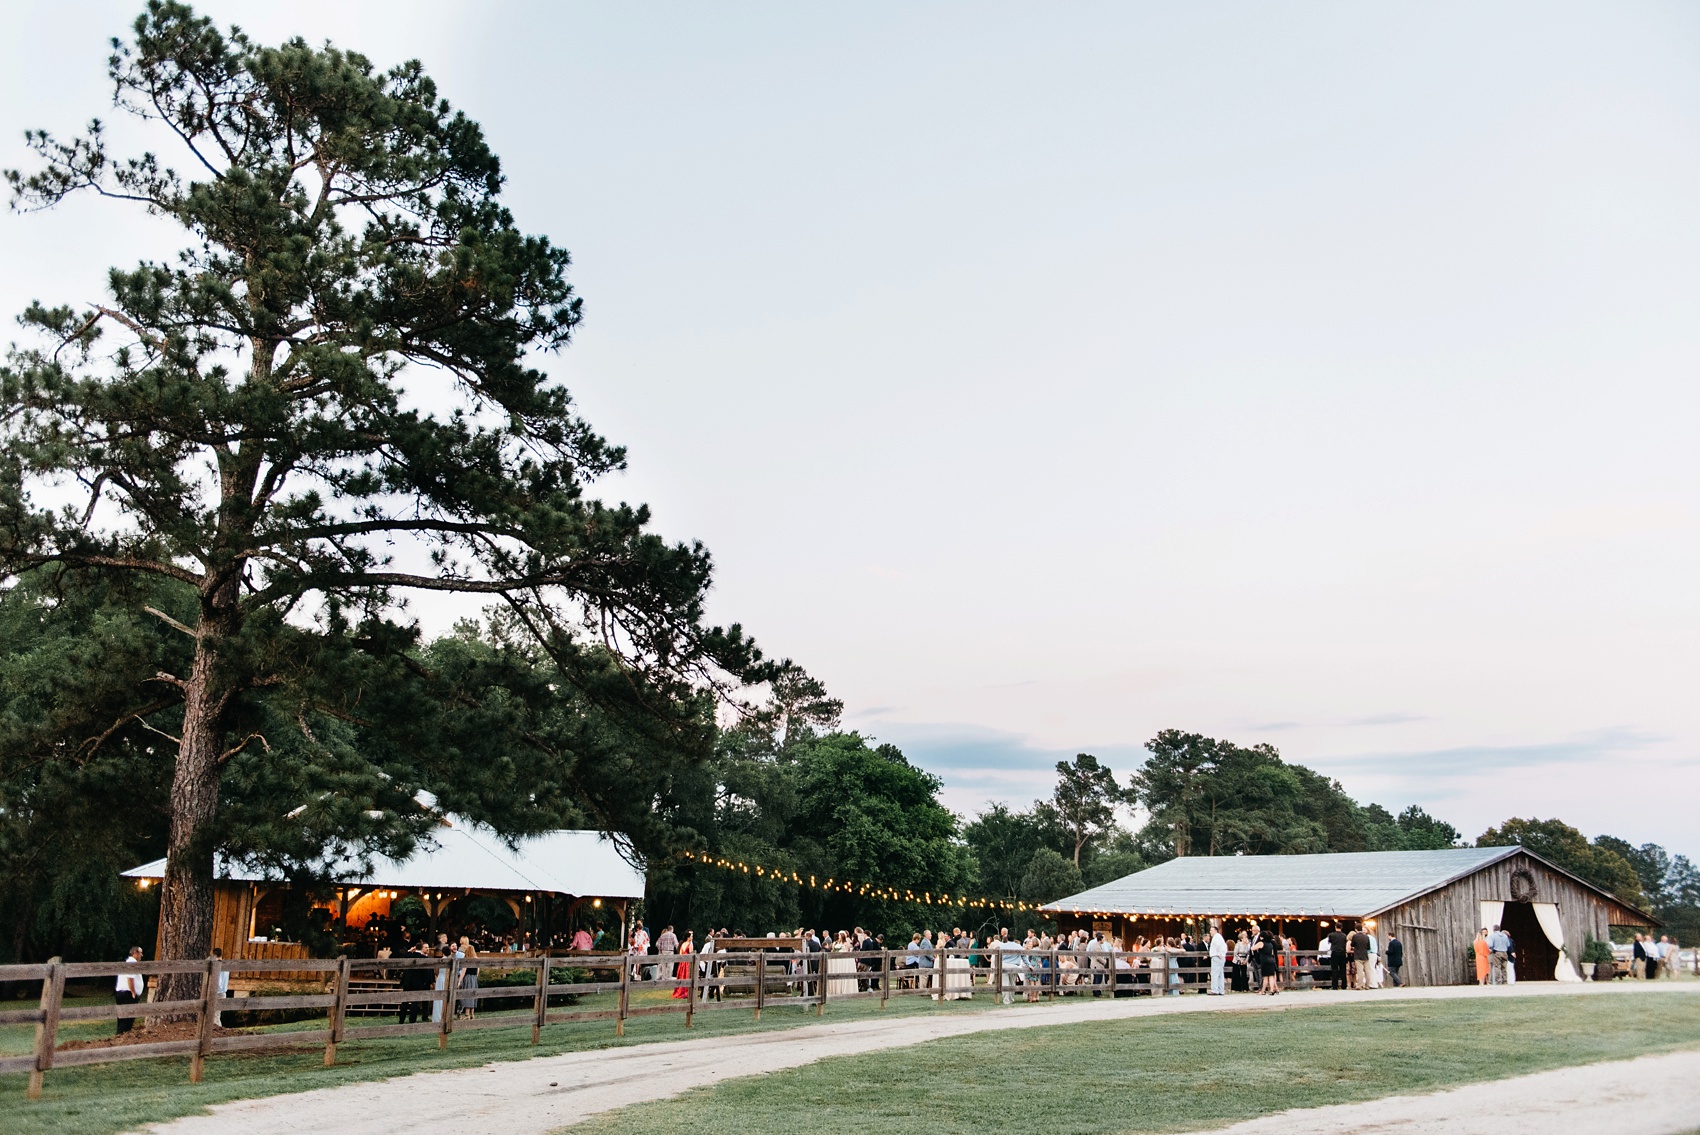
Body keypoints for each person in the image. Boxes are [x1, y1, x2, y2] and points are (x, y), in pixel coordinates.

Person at [115, 946, 145, 1034]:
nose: (141, 955)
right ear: (135, 953)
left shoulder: (128, 962)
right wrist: (133, 992)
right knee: (128, 1019)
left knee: (122, 1018)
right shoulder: (132, 963)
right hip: (127, 994)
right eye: (140, 953)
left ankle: (120, 1036)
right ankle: (122, 1036)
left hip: (122, 993)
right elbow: (130, 979)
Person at [670, 931, 694, 999]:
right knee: (686, 975)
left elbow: (681, 954)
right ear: (688, 937)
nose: (692, 937)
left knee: (681, 975)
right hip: (687, 962)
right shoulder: (689, 945)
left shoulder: (682, 944)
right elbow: (691, 954)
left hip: (682, 962)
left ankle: (679, 990)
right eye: (691, 936)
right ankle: (686, 991)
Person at [210, 946, 230, 1027]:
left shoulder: (217, 965)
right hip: (223, 992)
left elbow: (219, 981)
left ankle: (217, 1030)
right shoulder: (226, 965)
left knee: (215, 1015)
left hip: (217, 992)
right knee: (217, 1014)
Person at [1207, 920, 1227, 996]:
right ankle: (1221, 990)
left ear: (1215, 930)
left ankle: (1215, 990)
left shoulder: (1217, 937)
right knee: (1220, 974)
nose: (1210, 932)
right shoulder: (1218, 937)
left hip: (1217, 957)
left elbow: (1221, 946)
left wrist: (1220, 953)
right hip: (1219, 957)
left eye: (1211, 930)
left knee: (1215, 974)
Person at [1327, 925, 1349, 991]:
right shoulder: (1344, 935)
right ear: (1341, 927)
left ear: (1335, 927)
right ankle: (1344, 985)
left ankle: (1335, 986)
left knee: (1334, 970)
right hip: (1342, 953)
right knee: (1343, 969)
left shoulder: (1332, 935)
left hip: (1335, 952)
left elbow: (1330, 941)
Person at [1349, 926, 1371, 990]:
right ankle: (1367, 985)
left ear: (1356, 929)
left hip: (1358, 956)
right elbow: (1368, 947)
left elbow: (1352, 944)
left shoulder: (1355, 936)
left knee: (1360, 971)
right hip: (1365, 955)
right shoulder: (1366, 937)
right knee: (1367, 971)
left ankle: (1359, 985)